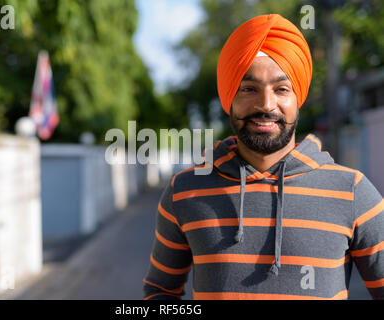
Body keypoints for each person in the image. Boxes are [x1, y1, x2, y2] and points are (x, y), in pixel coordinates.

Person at [143, 14, 384, 300]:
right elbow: (160, 292)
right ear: (229, 96)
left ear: (298, 98)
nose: (266, 104)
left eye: (282, 89)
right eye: (248, 89)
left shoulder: (353, 192)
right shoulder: (184, 191)